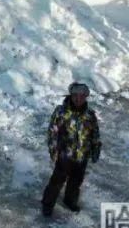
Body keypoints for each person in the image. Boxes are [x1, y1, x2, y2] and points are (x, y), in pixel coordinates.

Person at [42, 82, 101, 217]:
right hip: (65, 155)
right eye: (75, 96)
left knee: (76, 181)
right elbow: (52, 132)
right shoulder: (61, 112)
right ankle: (47, 203)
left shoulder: (90, 115)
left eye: (82, 96)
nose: (79, 99)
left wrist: (95, 149)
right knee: (57, 180)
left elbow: (95, 134)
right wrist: (53, 150)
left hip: (82, 156)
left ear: (86, 97)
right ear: (71, 95)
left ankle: (70, 201)